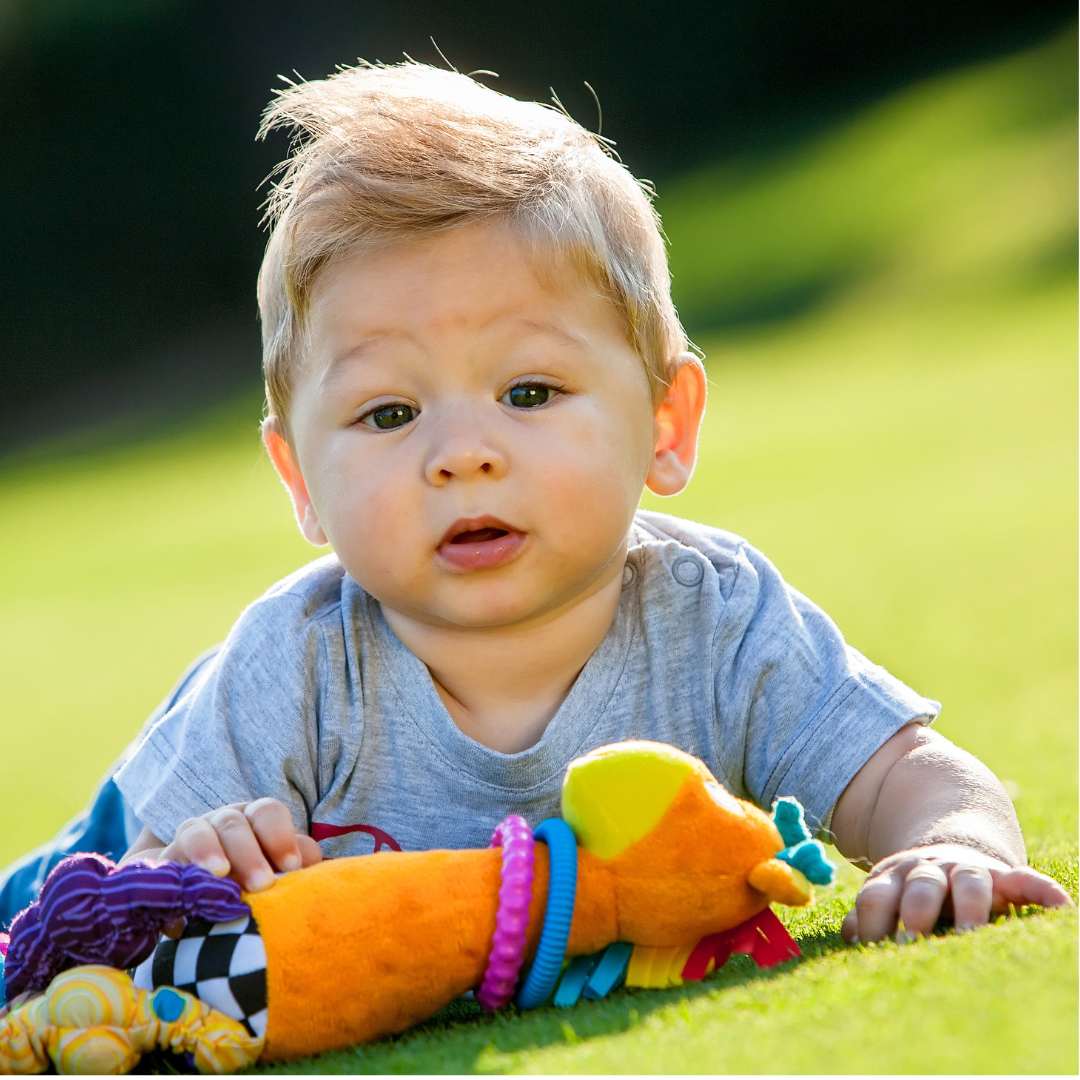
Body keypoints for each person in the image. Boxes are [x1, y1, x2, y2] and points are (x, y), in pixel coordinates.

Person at [1, 62, 1068, 945]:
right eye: (387, 414)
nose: (462, 455)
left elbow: (908, 772)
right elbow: (112, 910)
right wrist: (193, 862)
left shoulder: (719, 621)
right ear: (300, 482)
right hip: (84, 862)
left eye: (528, 393)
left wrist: (953, 845)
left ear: (665, 424)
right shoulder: (299, 666)